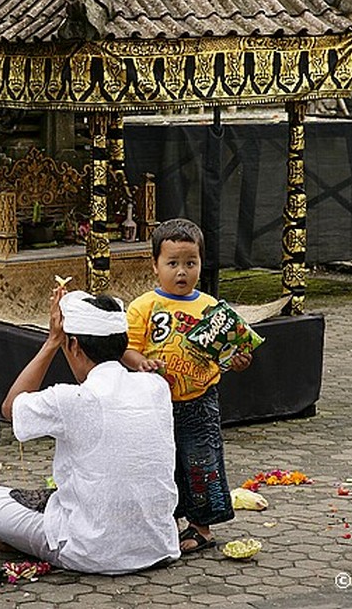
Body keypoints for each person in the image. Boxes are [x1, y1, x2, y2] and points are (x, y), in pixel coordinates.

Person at [0, 288, 180, 575]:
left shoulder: (72, 399)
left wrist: (50, 342)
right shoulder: (155, 387)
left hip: (89, 551)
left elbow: (10, 407)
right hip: (158, 546)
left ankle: (25, 541)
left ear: (74, 346)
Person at [122, 218, 251, 554]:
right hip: (155, 404)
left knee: (201, 462)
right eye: (172, 263)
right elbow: (127, 348)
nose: (182, 272)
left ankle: (201, 527)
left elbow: (230, 353)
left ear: (200, 264)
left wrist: (238, 360)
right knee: (160, 463)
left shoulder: (211, 309)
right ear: (155, 265)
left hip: (200, 400)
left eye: (190, 263)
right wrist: (141, 363)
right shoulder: (143, 307)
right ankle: (166, 524)